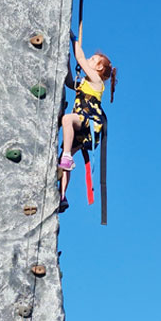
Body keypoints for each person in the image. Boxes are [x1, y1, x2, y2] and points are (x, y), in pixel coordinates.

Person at [57, 37, 117, 212]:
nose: (88, 61)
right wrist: (66, 61)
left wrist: (72, 38)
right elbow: (69, 82)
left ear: (98, 68)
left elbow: (81, 58)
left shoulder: (96, 82)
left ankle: (67, 155)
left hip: (90, 122)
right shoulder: (84, 83)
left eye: (93, 60)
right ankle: (62, 195)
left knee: (67, 119)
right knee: (62, 161)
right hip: (82, 124)